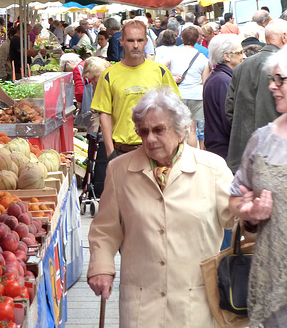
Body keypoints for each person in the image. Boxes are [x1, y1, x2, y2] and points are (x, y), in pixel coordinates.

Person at [88, 86, 236, 327]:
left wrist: (249, 211)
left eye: (158, 130)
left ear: (181, 130)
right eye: (143, 131)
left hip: (195, 300)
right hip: (141, 301)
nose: (150, 139)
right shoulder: (119, 170)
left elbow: (235, 218)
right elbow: (105, 229)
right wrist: (101, 267)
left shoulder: (212, 168)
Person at [227, 49, 287, 327]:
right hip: (272, 278)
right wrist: (249, 214)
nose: (272, 86)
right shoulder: (262, 139)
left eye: (280, 80)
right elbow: (235, 197)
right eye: (271, 79)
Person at [90, 19, 179, 159]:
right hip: (122, 151)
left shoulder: (160, 72)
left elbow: (175, 110)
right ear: (122, 41)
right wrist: (110, 152)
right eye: (130, 40)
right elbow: (105, 115)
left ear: (146, 42)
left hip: (157, 151)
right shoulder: (108, 75)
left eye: (140, 40)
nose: (135, 45)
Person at [225, 19, 287, 172]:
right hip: (274, 159)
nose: (274, 86)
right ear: (284, 37)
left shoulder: (241, 67)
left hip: (242, 156)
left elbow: (229, 110)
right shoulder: (282, 67)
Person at [203, 34, 245, 159]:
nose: (243, 56)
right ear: (226, 56)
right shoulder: (223, 81)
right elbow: (229, 118)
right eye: (240, 52)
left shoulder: (217, 77)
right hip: (224, 150)